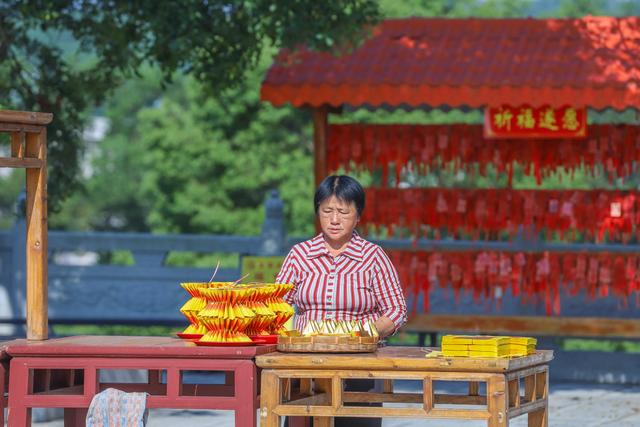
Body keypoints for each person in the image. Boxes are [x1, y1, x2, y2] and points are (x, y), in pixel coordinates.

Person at [276, 175, 407, 427]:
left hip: (359, 365)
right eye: (327, 211)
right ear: (318, 212)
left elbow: (396, 310)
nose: (334, 220)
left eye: (343, 212)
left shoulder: (373, 257)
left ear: (358, 216)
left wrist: (363, 334)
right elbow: (277, 305)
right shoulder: (299, 255)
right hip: (305, 365)